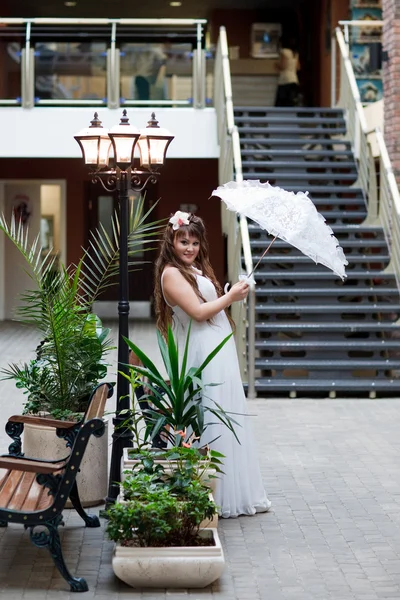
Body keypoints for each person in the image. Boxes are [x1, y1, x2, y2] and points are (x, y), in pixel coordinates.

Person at [153, 210, 272, 518]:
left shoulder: (194, 270)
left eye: (194, 242)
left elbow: (212, 307)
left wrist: (235, 292)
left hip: (218, 351)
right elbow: (199, 312)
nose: (189, 247)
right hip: (202, 352)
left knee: (226, 413)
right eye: (183, 241)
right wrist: (230, 297)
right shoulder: (171, 273)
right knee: (211, 415)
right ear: (172, 241)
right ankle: (210, 493)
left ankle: (233, 490)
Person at [275, 36, 301, 107]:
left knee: (280, 104)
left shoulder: (284, 52)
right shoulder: (295, 53)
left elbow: (283, 66)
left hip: (284, 80)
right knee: (291, 103)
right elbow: (298, 67)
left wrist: (276, 65)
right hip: (294, 79)